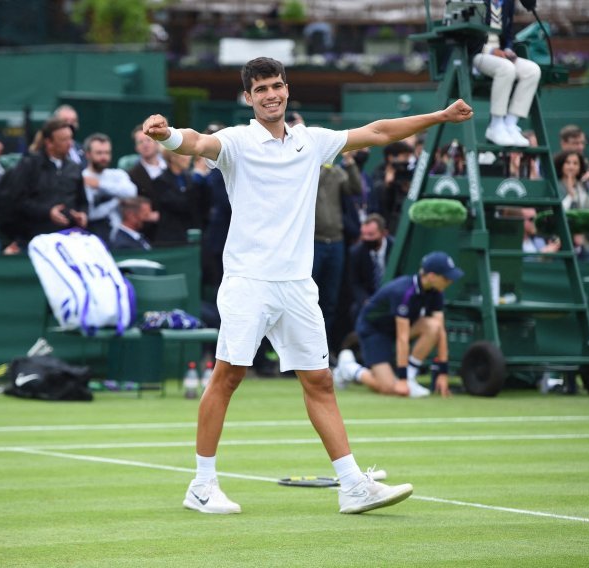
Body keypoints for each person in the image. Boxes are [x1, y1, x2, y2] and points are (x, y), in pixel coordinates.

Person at [141, 57, 473, 515]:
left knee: (320, 382)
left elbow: (377, 133)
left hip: (297, 286)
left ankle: (352, 485)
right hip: (249, 282)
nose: (271, 95)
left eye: (277, 86)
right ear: (249, 98)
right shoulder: (236, 142)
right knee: (227, 377)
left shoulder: (311, 141)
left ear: (286, 89)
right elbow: (197, 142)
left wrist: (438, 117)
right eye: (261, 90)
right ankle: (201, 485)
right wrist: (168, 136)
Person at [334, 251, 463, 399]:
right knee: (389, 388)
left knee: (434, 326)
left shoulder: (437, 292)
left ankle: (410, 376)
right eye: (446, 278)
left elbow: (441, 331)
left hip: (399, 328)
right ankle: (349, 369)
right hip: (374, 331)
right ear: (432, 276)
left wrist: (443, 373)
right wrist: (401, 381)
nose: (450, 281)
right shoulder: (403, 292)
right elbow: (402, 337)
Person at [0, 118, 87, 247]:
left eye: (70, 138)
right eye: (64, 140)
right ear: (49, 142)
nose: (69, 144)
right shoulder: (29, 165)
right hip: (34, 239)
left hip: (67, 240)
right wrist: (47, 212)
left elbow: (82, 201)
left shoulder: (75, 168)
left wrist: (82, 214)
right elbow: (17, 201)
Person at [471, 0, 540, 147]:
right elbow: (466, 35)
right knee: (506, 68)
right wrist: (490, 51)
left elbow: (508, 35)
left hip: (501, 56)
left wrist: (508, 50)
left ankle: (510, 124)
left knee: (532, 71)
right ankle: (495, 125)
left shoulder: (508, 2)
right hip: (476, 54)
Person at [313, 151, 362, 342]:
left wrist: (349, 162)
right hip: (313, 241)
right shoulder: (305, 171)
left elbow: (356, 189)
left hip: (335, 241)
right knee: (307, 300)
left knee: (330, 301)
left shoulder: (336, 172)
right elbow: (318, 182)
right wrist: (324, 163)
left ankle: (322, 349)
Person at [81, 133, 138, 242]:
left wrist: (99, 185)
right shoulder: (83, 177)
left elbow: (132, 192)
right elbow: (90, 214)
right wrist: (117, 200)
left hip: (121, 235)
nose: (104, 157)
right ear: (88, 154)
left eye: (107, 153)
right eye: (99, 153)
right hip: (95, 236)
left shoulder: (117, 174)